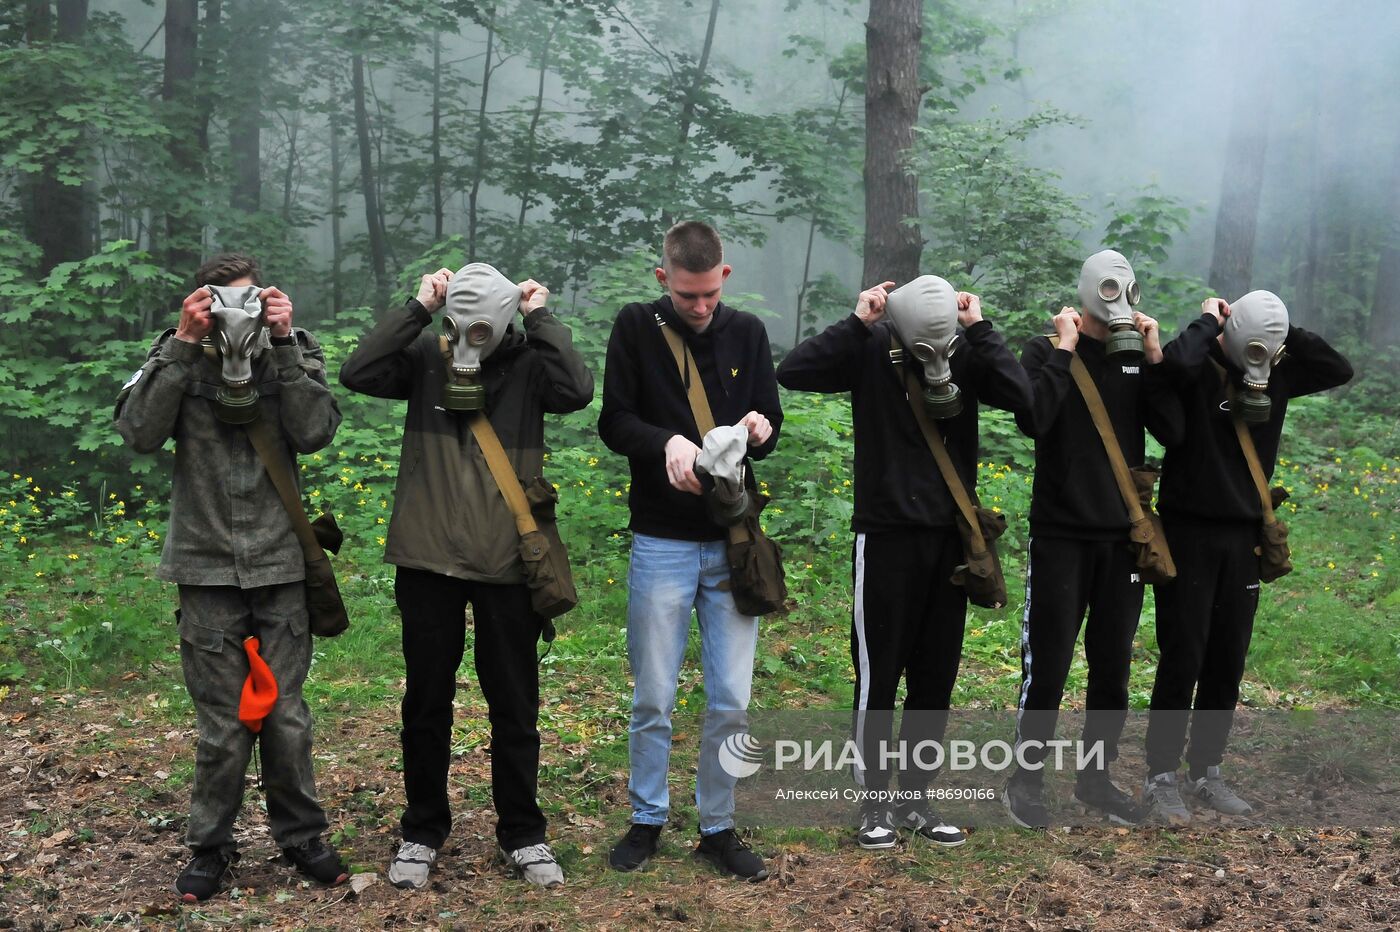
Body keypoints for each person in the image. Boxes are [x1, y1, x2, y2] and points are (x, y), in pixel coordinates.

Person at [339, 263, 593, 889]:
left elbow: (579, 391)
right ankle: (422, 831)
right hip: (428, 557)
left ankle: (524, 834)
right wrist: (418, 308)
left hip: (508, 559)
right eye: (459, 317)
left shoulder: (533, 363)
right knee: (426, 702)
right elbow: (359, 372)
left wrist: (541, 318)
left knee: (514, 703)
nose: (473, 331)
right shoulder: (427, 354)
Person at [114, 253, 347, 903]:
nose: (234, 313)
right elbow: (137, 431)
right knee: (221, 725)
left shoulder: (291, 349)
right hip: (206, 564)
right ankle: (211, 846)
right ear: (199, 302)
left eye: (248, 299)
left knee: (286, 717)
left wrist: (281, 340)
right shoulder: (176, 353)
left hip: (279, 564)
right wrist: (186, 345)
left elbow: (316, 430)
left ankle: (301, 837)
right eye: (222, 302)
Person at [777, 276, 1032, 849]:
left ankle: (915, 797)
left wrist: (980, 329)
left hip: (950, 542)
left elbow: (1026, 398)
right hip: (886, 537)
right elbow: (792, 371)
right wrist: (858, 319)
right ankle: (873, 805)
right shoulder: (870, 349)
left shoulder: (964, 351)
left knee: (935, 677)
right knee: (880, 675)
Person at [598, 221, 782, 881]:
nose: (699, 308)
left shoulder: (748, 333)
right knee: (653, 695)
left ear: (724, 277)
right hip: (662, 542)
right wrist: (667, 443)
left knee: (730, 696)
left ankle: (718, 827)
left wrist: (759, 428)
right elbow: (613, 420)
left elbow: (771, 422)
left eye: (708, 295)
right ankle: (647, 819)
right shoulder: (634, 327)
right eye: (686, 296)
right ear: (663, 280)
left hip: (732, 543)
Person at [1142, 293, 1352, 823]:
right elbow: (1173, 367)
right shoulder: (1196, 369)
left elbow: (1337, 368)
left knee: (1227, 658)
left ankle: (1207, 770)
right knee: (1183, 654)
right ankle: (1160, 774)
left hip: (1243, 536)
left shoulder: (1275, 376)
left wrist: (1276, 326)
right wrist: (1212, 320)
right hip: (1189, 531)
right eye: (1248, 343)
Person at [1005, 249, 1181, 828]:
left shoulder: (1136, 357)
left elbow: (1176, 431)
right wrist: (1064, 347)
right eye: (1105, 290)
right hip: (1060, 534)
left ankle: (1096, 779)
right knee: (1049, 663)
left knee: (1113, 667)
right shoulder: (1045, 350)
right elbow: (1034, 418)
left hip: (1121, 537)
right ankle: (1025, 781)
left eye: (1123, 290)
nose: (1115, 301)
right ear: (1085, 292)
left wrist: (1154, 359)